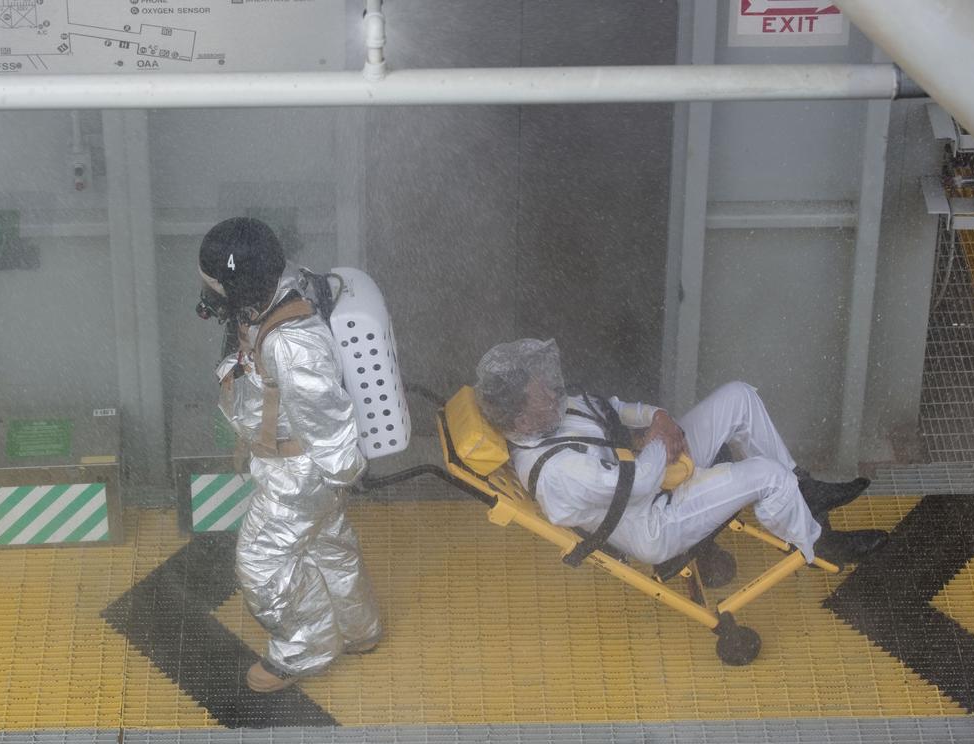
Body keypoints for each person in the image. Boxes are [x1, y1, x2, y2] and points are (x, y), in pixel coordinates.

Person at [473, 338, 888, 568]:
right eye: (539, 393)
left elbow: (614, 407)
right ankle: (818, 544)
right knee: (765, 474)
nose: (552, 392)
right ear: (521, 422)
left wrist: (659, 418)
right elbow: (636, 485)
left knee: (739, 396)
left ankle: (804, 490)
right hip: (654, 520)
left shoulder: (554, 414)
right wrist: (659, 439)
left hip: (657, 469)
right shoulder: (556, 471)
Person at [196, 217, 382, 693]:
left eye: (215, 286)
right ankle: (358, 629)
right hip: (304, 467)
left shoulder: (292, 343)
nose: (210, 295)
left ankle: (306, 647)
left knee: (263, 564)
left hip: (298, 474)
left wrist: (342, 475)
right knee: (327, 545)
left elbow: (328, 416)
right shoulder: (281, 290)